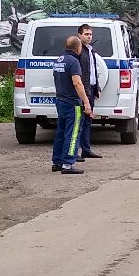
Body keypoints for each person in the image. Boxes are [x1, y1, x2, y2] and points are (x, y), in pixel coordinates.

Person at [51, 34, 93, 174]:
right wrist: (86, 102)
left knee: (60, 132)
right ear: (78, 48)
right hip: (72, 103)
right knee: (73, 133)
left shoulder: (59, 60)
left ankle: (57, 162)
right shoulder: (74, 62)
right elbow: (77, 83)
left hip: (60, 100)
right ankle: (68, 164)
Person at [75, 23, 105, 159]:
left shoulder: (90, 50)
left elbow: (93, 71)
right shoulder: (78, 51)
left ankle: (86, 149)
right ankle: (75, 152)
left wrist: (97, 86)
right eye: (86, 34)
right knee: (78, 122)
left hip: (91, 88)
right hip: (82, 90)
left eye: (90, 34)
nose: (89, 37)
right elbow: (77, 74)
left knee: (88, 120)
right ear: (79, 35)